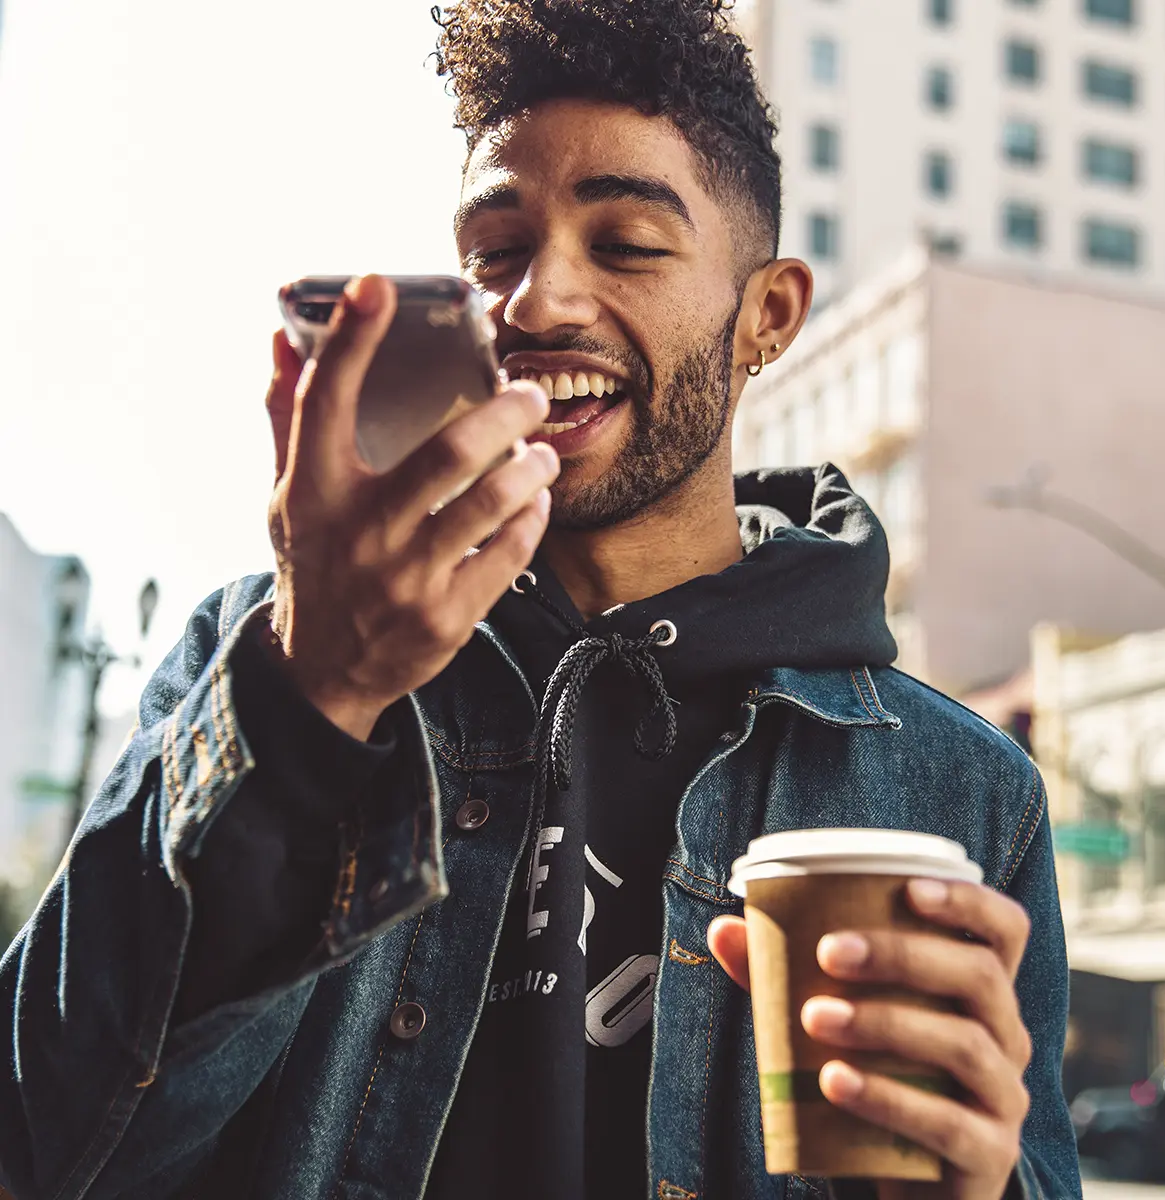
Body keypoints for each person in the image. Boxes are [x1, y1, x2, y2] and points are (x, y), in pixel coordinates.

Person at [0, 2, 1081, 1198]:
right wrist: (311, 697)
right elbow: (42, 1142)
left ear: (765, 316)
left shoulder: (962, 792)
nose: (536, 303)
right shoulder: (264, 653)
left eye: (624, 244)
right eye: (495, 251)